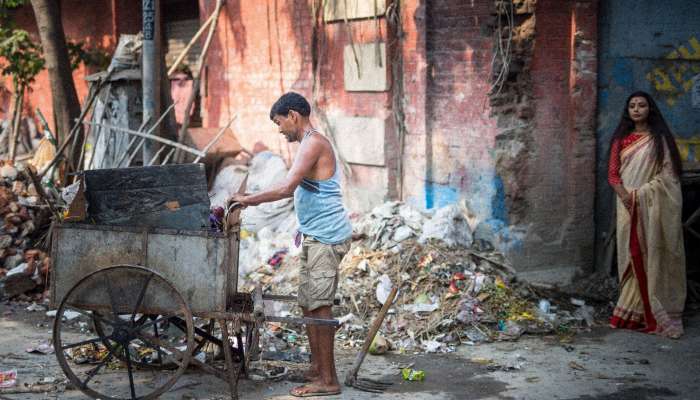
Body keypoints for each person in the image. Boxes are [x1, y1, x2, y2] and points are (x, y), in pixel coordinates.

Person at [231, 92, 352, 396]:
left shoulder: (313, 143)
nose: (279, 129)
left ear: (294, 116)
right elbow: (301, 190)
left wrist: (247, 200)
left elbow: (286, 188)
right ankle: (317, 368)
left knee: (320, 308)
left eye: (279, 122)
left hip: (327, 238)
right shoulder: (306, 145)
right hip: (315, 235)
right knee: (309, 304)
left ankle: (329, 381)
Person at [607, 91, 686, 338]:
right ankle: (632, 310)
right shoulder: (621, 140)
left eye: (642, 105)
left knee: (652, 251)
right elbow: (612, 174)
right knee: (631, 253)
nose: (637, 109)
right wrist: (627, 198)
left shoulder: (659, 139)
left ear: (650, 109)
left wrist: (641, 196)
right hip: (626, 204)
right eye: (632, 105)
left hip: (651, 206)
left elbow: (668, 177)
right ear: (627, 111)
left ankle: (652, 313)